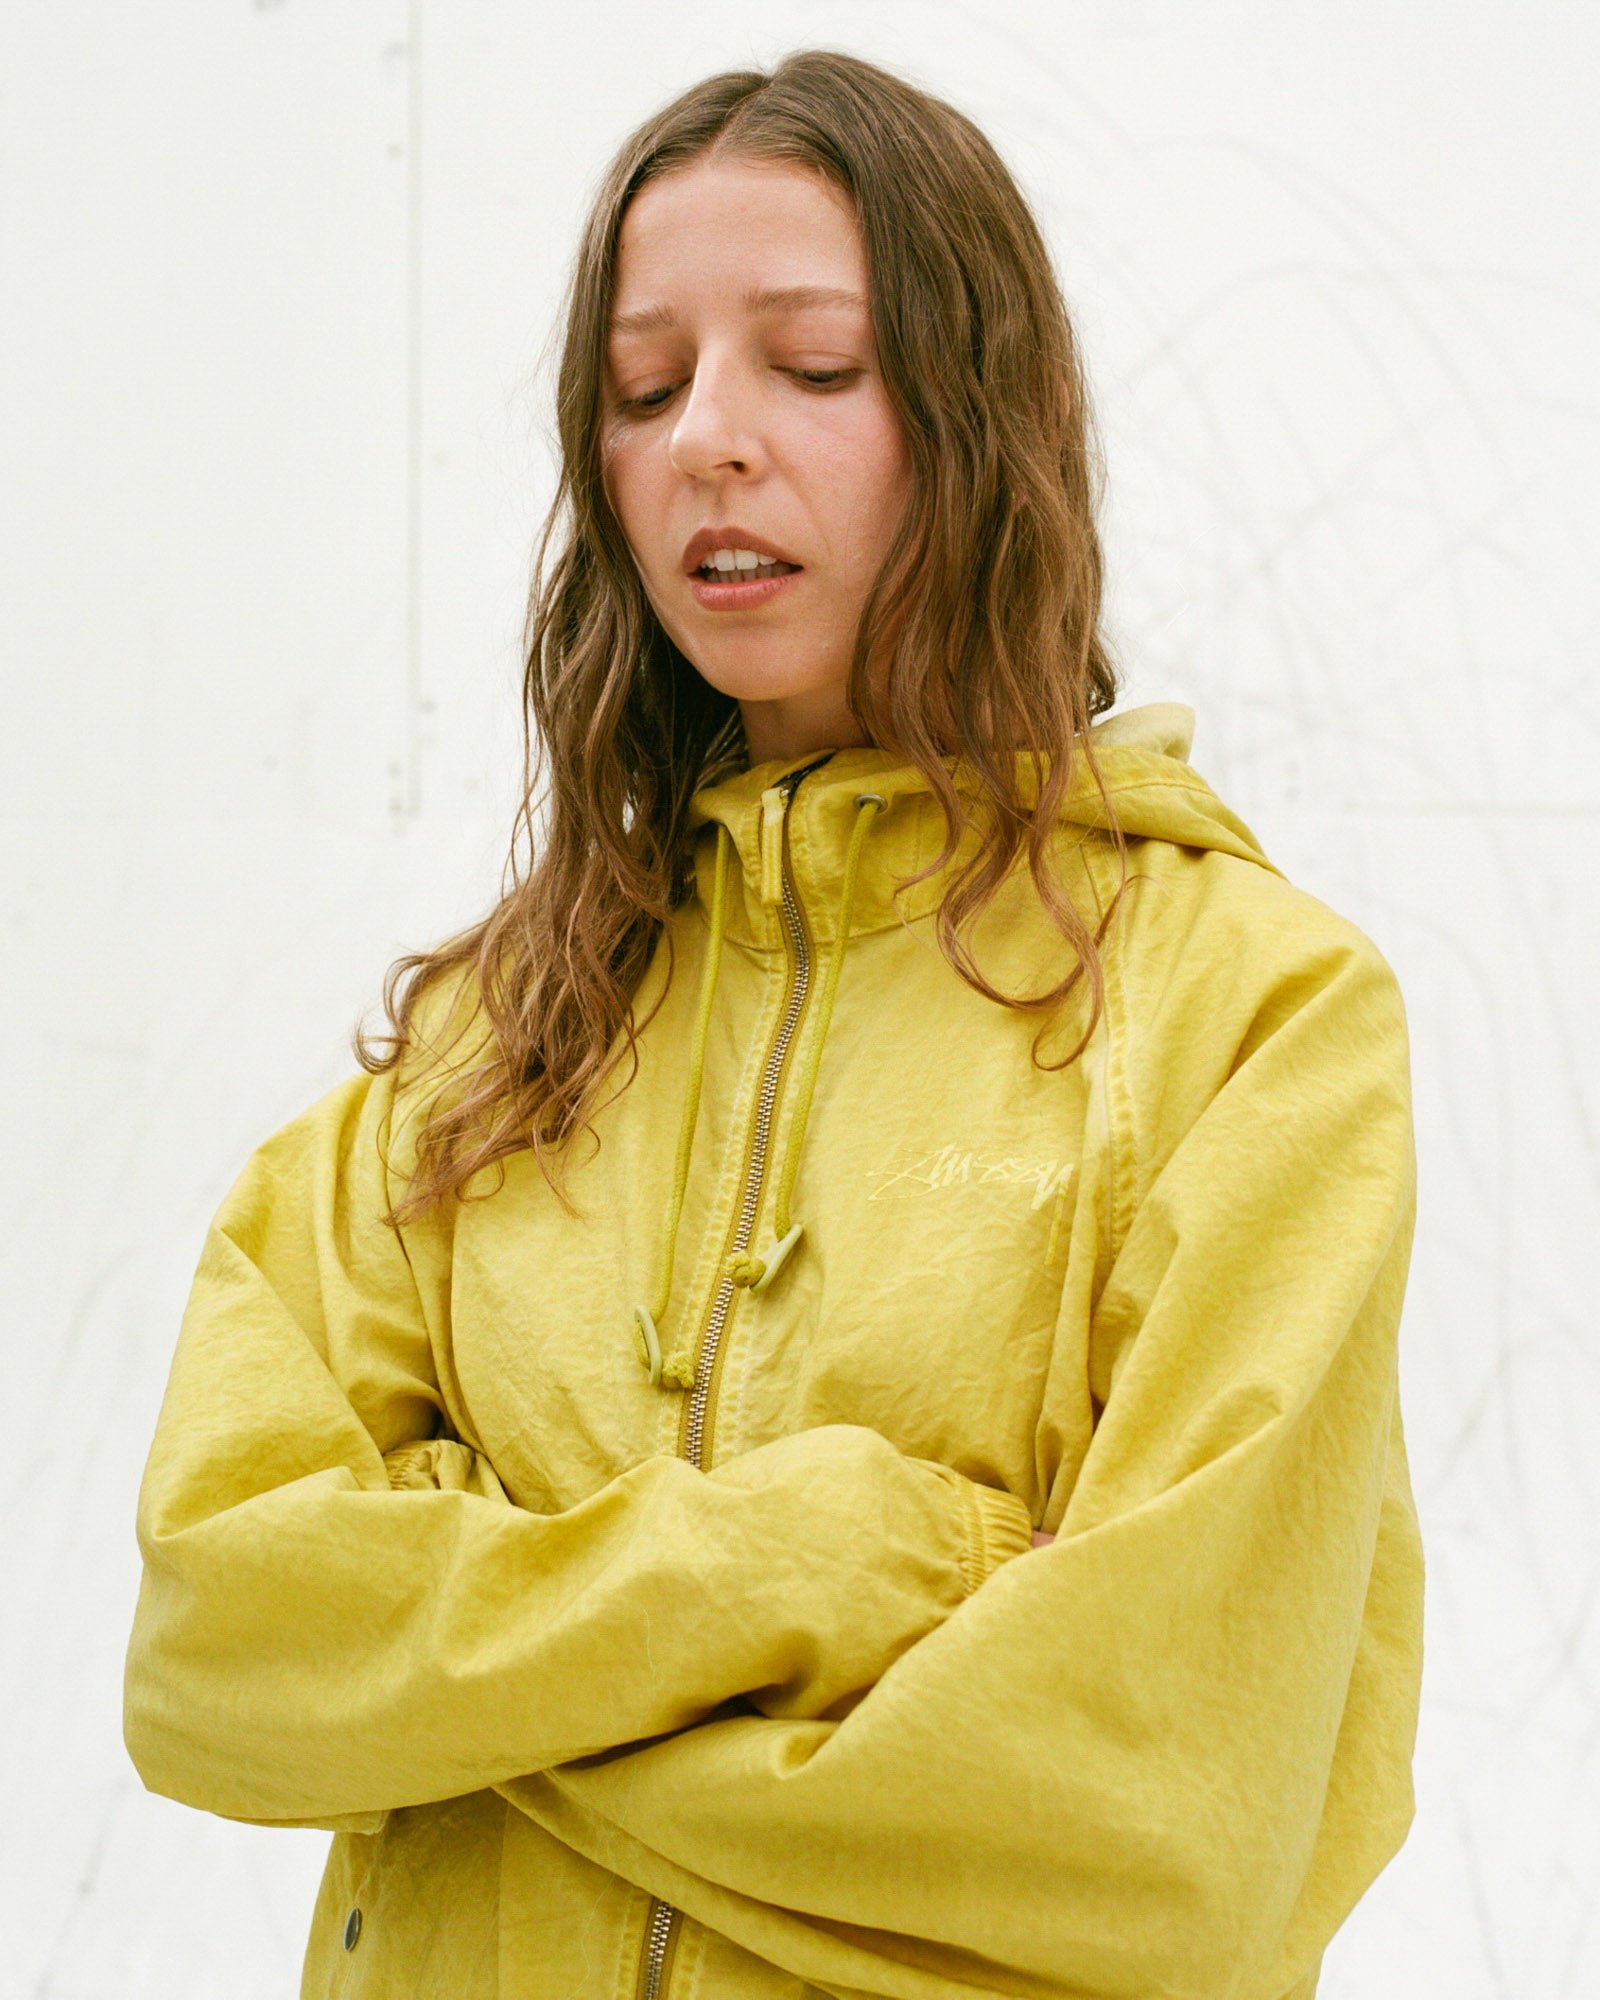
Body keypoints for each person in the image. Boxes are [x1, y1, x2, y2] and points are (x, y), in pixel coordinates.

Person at [122, 49, 1424, 2000]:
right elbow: (214, 1649)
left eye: (812, 365)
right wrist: (849, 1556)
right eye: (643, 388)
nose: (709, 441)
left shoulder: (1257, 1022)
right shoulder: (490, 1042)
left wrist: (466, 1704)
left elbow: (1158, 1830)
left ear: (987, 418)